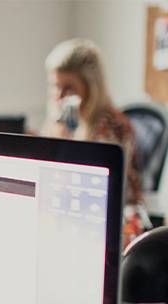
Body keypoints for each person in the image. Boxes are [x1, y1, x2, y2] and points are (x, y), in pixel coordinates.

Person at [43, 38, 145, 211]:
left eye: (69, 87)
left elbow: (95, 188)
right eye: (55, 86)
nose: (60, 96)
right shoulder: (65, 122)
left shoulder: (112, 127)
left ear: (91, 87)